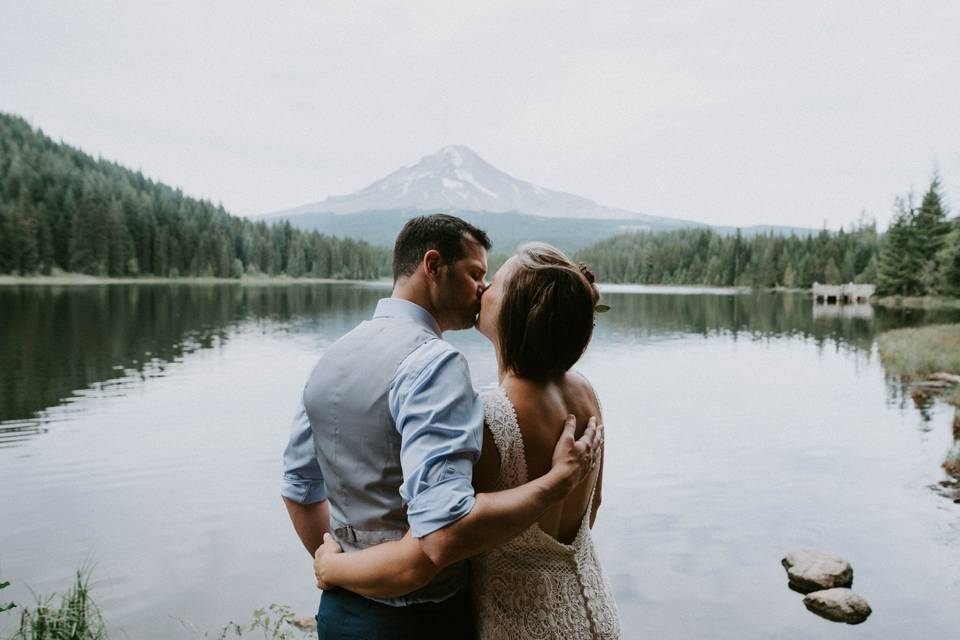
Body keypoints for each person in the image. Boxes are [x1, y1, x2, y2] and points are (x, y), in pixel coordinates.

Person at [282, 215, 603, 640]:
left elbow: (300, 487)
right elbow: (445, 536)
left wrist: (341, 565)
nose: (482, 289)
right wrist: (558, 481)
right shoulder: (579, 393)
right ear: (433, 267)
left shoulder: (332, 357)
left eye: (491, 281)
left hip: (343, 613)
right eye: (476, 275)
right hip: (432, 619)